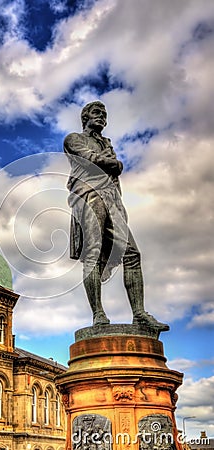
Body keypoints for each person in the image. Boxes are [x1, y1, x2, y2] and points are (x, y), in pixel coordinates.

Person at [64, 100, 168, 331]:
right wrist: (114, 163)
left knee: (132, 253)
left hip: (112, 199)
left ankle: (139, 314)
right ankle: (98, 314)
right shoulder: (74, 139)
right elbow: (91, 160)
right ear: (85, 117)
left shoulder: (107, 143)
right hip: (89, 195)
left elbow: (110, 167)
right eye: (96, 112)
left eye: (104, 113)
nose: (102, 116)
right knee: (93, 251)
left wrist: (113, 163)